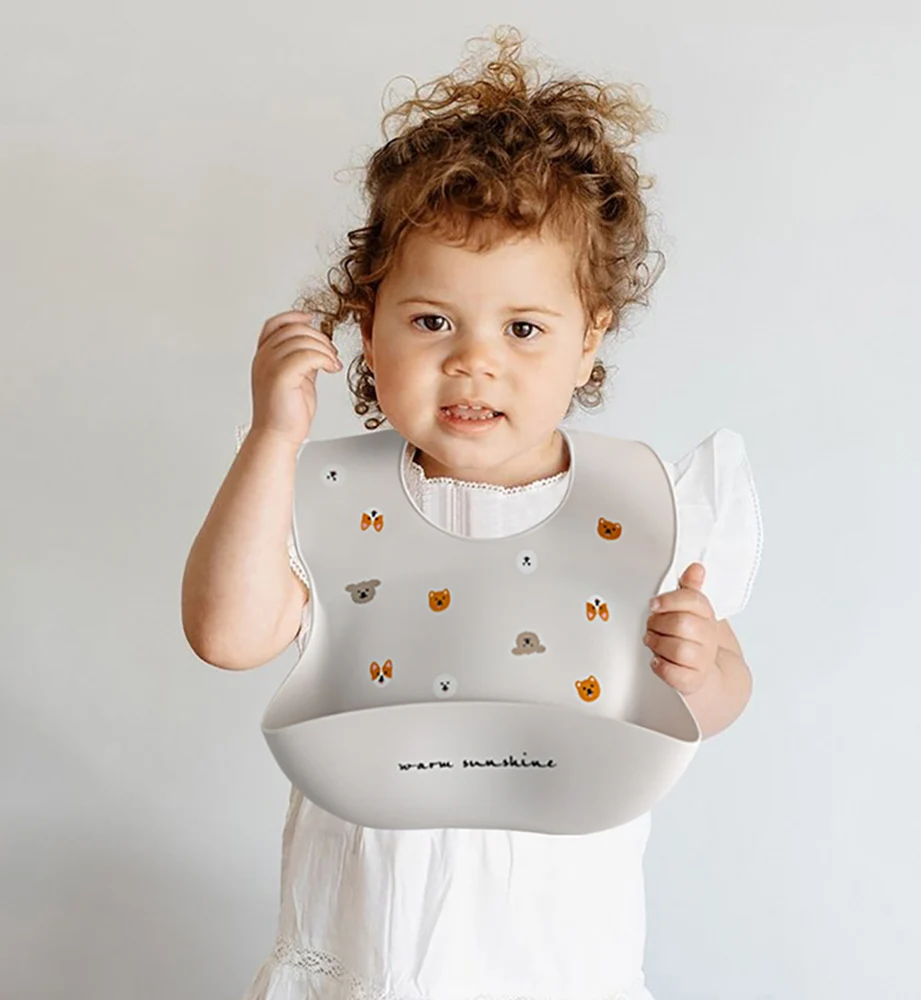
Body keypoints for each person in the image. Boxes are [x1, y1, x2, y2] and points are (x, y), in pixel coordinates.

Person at [182, 25, 763, 1000]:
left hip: (555, 958)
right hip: (363, 954)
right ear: (367, 325)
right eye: (431, 321)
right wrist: (273, 438)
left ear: (589, 340)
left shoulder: (638, 504)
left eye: (523, 327)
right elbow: (225, 635)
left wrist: (697, 671)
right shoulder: (332, 497)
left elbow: (722, 692)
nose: (473, 360)